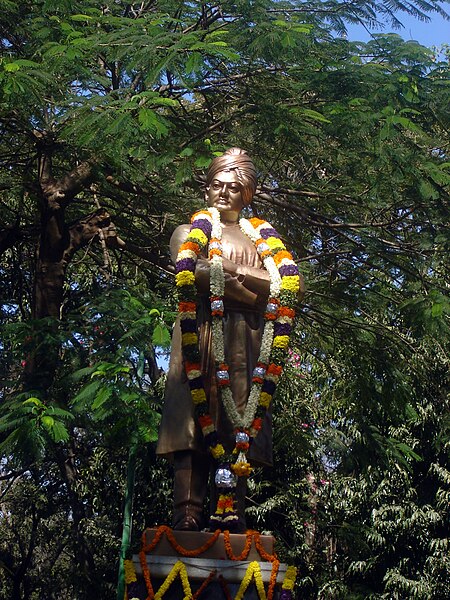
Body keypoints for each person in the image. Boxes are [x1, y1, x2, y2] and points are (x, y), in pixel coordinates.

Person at [156, 148, 298, 531]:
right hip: (200, 335)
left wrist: (228, 276)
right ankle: (187, 510)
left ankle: (232, 511)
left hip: (248, 343)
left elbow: (281, 285)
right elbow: (194, 271)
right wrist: (244, 277)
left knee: (240, 425)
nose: (223, 193)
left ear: (247, 194)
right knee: (193, 422)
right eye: (216, 185)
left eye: (233, 188)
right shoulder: (190, 232)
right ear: (206, 190)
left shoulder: (264, 242)